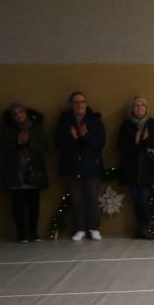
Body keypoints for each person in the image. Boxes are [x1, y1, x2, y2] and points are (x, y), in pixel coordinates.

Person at [55, 92, 106, 242]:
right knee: (77, 200)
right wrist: (73, 138)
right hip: (72, 166)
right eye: (76, 102)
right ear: (71, 104)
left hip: (91, 165)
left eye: (82, 101)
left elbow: (101, 143)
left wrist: (85, 137)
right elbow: (58, 143)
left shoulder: (95, 120)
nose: (79, 105)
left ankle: (94, 228)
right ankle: (80, 228)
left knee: (92, 199)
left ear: (86, 103)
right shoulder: (64, 121)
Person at [0, 103, 48, 242]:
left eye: (20, 113)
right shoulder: (7, 129)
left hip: (34, 169)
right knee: (17, 205)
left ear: (26, 113)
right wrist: (16, 143)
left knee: (33, 205)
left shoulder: (36, 127)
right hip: (15, 170)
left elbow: (44, 145)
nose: (18, 116)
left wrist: (29, 142)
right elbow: (1, 148)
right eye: (15, 114)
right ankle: (21, 233)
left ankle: (33, 232)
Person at [116, 97, 154, 239]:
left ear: (146, 108)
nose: (139, 107)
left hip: (147, 169)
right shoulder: (126, 124)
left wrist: (145, 140)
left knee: (144, 198)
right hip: (130, 169)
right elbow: (119, 145)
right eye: (136, 105)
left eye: (142, 105)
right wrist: (135, 141)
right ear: (132, 109)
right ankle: (141, 228)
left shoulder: (153, 123)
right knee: (136, 199)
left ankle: (148, 226)